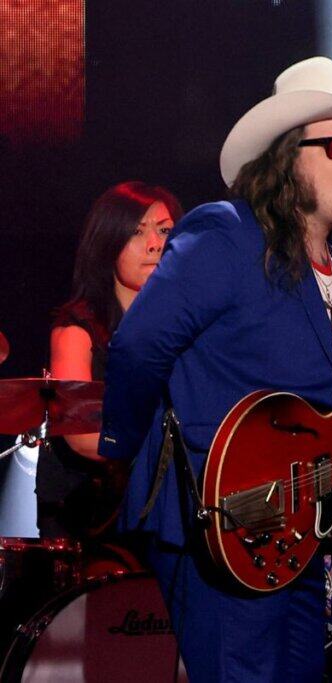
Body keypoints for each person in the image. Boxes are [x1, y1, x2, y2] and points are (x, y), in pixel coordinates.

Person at [98, 57, 332, 681]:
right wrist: (132, 456)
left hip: (302, 540)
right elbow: (139, 347)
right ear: (285, 157)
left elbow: (329, 412)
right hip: (225, 529)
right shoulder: (227, 235)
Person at [39, 181, 182, 540]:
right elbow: (84, 436)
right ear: (108, 244)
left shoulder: (186, 327)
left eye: (165, 230)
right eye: (137, 232)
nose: (155, 244)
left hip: (168, 505)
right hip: (91, 514)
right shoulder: (77, 330)